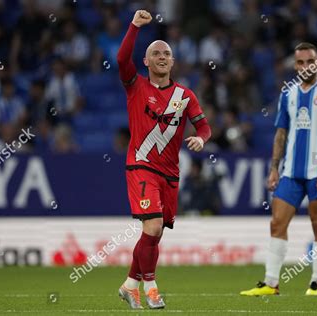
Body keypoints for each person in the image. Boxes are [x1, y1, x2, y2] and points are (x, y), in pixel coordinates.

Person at [116, 10, 211, 310]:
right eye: (155, 53)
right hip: (141, 166)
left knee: (153, 236)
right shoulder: (135, 86)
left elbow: (204, 126)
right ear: (145, 61)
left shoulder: (185, 96)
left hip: (170, 174)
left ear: (172, 62)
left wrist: (201, 138)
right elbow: (120, 59)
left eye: (166, 54)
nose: (161, 56)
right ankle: (151, 287)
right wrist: (134, 26)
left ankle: (130, 285)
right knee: (153, 227)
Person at [240, 42, 317, 297]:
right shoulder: (288, 94)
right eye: (299, 62)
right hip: (290, 172)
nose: (304, 66)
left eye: (310, 61)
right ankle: (270, 283)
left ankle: (316, 283)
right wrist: (274, 168)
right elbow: (281, 133)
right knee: (277, 222)